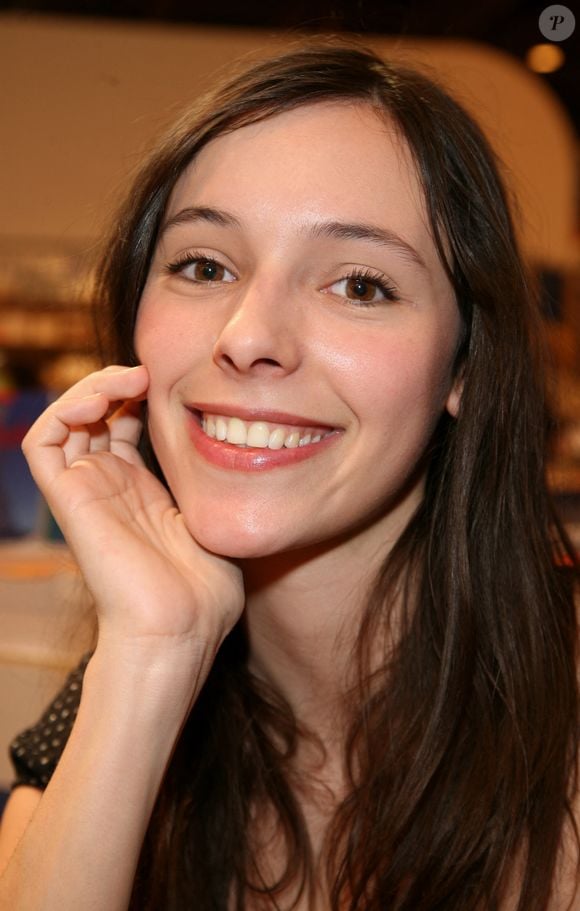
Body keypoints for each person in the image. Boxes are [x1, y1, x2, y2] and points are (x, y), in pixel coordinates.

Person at [0, 40, 578, 911]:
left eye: (359, 284)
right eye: (204, 265)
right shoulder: (108, 707)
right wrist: (155, 651)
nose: (248, 333)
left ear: (464, 365)